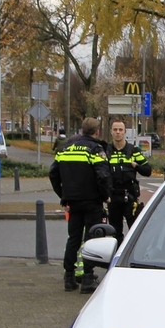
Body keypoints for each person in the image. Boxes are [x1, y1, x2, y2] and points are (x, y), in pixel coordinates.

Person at [49, 117, 111, 294]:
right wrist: (105, 195)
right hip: (92, 201)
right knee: (90, 240)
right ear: (96, 131)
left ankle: (69, 277)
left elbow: (53, 174)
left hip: (72, 201)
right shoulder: (95, 149)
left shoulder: (65, 149)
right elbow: (103, 175)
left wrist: (63, 194)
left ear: (82, 130)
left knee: (73, 238)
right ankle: (87, 278)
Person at [107, 119, 152, 243]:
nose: (118, 132)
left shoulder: (133, 151)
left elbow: (147, 171)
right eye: (115, 129)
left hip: (129, 198)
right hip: (113, 198)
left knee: (134, 234)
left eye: (120, 130)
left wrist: (136, 166)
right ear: (111, 131)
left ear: (125, 132)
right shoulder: (106, 152)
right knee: (115, 234)